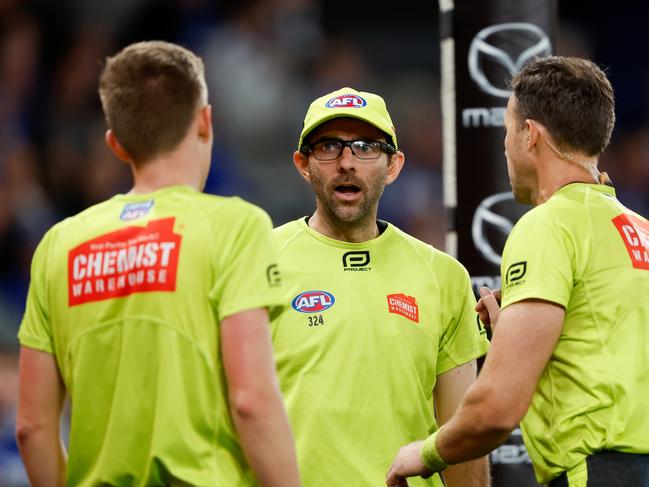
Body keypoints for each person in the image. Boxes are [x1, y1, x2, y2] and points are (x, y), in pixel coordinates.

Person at [15, 40, 301, 487]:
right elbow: (252, 401)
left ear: (116, 144)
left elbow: (32, 427)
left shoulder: (59, 243)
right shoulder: (235, 225)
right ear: (205, 121)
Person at [387, 56, 649, 487]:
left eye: (508, 131)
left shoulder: (547, 225)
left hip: (597, 473)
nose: (505, 146)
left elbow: (497, 407)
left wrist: (425, 453)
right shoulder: (635, 228)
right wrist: (514, 332)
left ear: (530, 135)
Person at [271, 86, 490, 486]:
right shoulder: (257, 262)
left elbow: (462, 433)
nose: (346, 162)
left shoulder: (443, 275)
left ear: (393, 165)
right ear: (303, 164)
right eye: (328, 147)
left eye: (366, 147)